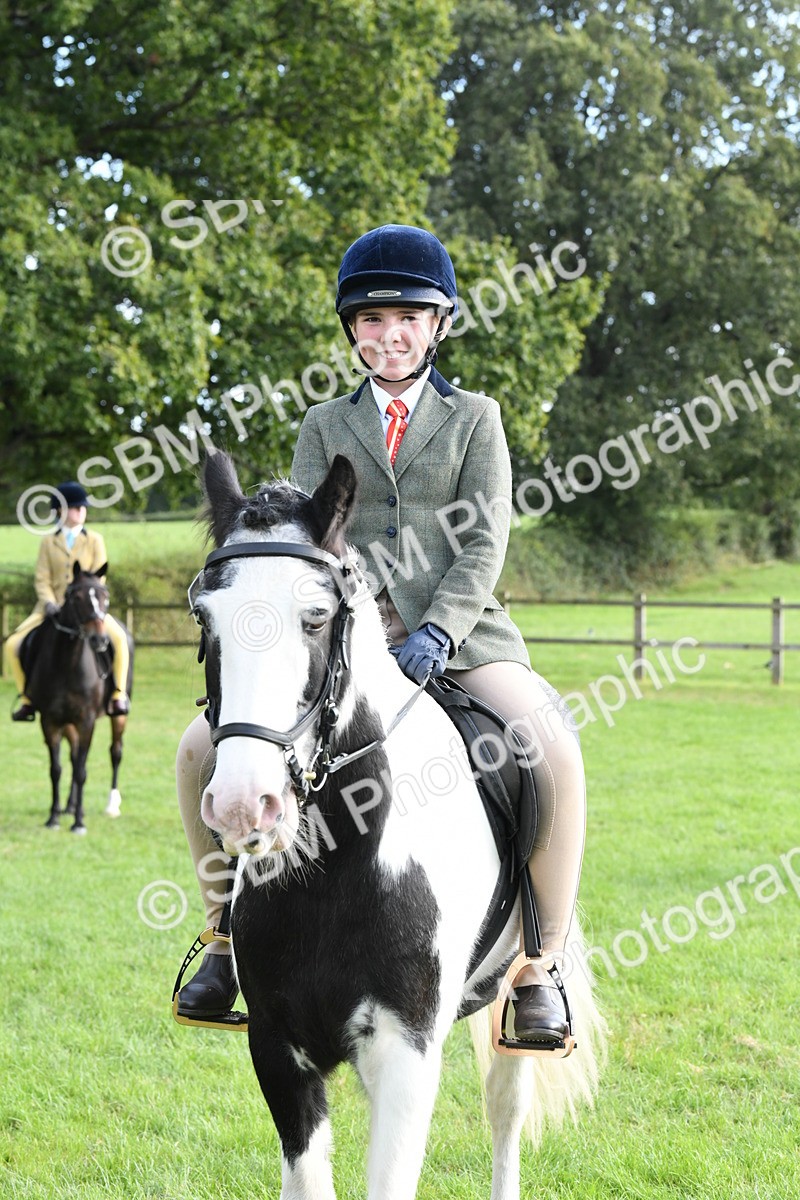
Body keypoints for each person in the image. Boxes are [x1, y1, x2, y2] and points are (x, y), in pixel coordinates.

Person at [175, 225, 585, 1046]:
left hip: (463, 638)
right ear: (351, 330)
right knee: (196, 748)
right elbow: (302, 541)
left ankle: (542, 965)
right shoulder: (324, 421)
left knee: (550, 743)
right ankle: (222, 933)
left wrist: (436, 629)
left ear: (438, 325)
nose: (388, 334)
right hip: (348, 645)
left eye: (407, 318)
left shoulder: (478, 419)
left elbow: (485, 541)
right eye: (370, 320)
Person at [6, 481, 131, 720]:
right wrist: (49, 602)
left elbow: (99, 577)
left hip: (87, 608)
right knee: (12, 644)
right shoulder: (48, 542)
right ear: (61, 511)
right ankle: (26, 699)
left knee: (120, 639)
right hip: (50, 609)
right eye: (76, 507)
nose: (82, 511)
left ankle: (118, 694)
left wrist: (92, 604)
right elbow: (42, 578)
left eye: (83, 507)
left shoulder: (95, 539)